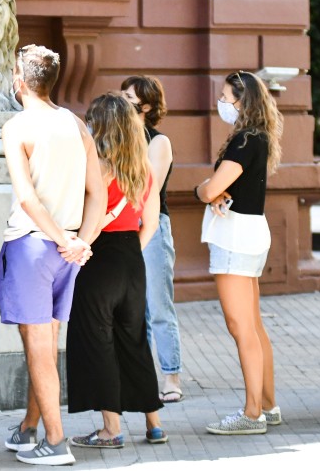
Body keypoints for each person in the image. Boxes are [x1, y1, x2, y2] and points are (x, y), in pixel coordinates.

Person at [0, 45, 105, 466]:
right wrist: (81, 241)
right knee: (41, 342)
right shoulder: (75, 123)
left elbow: (26, 199)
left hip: (33, 245)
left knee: (38, 345)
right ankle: (29, 429)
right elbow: (96, 192)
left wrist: (65, 238)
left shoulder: (17, 126)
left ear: (20, 80)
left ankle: (56, 441)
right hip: (68, 250)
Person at [66, 92, 168, 449]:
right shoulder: (145, 171)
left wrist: (82, 249)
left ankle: (111, 429)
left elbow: (90, 221)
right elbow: (151, 223)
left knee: (98, 341)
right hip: (132, 258)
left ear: (101, 126)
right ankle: (154, 424)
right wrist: (128, 254)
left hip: (100, 257)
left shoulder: (98, 168)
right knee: (134, 340)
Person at [195, 71, 283, 435]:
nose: (221, 102)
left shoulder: (245, 139)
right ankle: (266, 404)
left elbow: (209, 188)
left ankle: (252, 414)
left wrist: (204, 188)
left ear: (242, 101)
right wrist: (214, 191)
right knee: (253, 325)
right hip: (250, 233)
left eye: (225, 96)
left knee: (240, 326)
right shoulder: (258, 137)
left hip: (235, 238)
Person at [121, 75, 184, 403]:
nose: (123, 100)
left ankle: (171, 376)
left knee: (158, 305)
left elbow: (150, 188)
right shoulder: (117, 138)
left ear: (145, 106)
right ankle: (137, 376)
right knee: (132, 309)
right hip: (122, 226)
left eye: (129, 96)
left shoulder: (158, 142)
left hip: (153, 226)